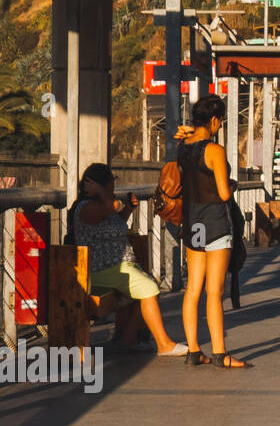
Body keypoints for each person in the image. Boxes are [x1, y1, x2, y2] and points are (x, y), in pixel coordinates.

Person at [71, 163, 187, 356]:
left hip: (118, 268)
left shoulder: (102, 206)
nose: (113, 186)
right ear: (101, 184)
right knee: (150, 288)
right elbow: (113, 206)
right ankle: (164, 344)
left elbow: (113, 225)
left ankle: (129, 338)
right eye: (110, 182)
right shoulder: (87, 207)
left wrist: (129, 211)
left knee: (146, 289)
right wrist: (102, 192)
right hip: (104, 269)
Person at [178, 96, 249, 368]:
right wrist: (233, 185)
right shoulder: (215, 151)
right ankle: (220, 353)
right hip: (216, 223)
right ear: (215, 120)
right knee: (214, 291)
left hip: (192, 221)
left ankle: (193, 350)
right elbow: (222, 193)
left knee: (192, 289)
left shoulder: (183, 148)